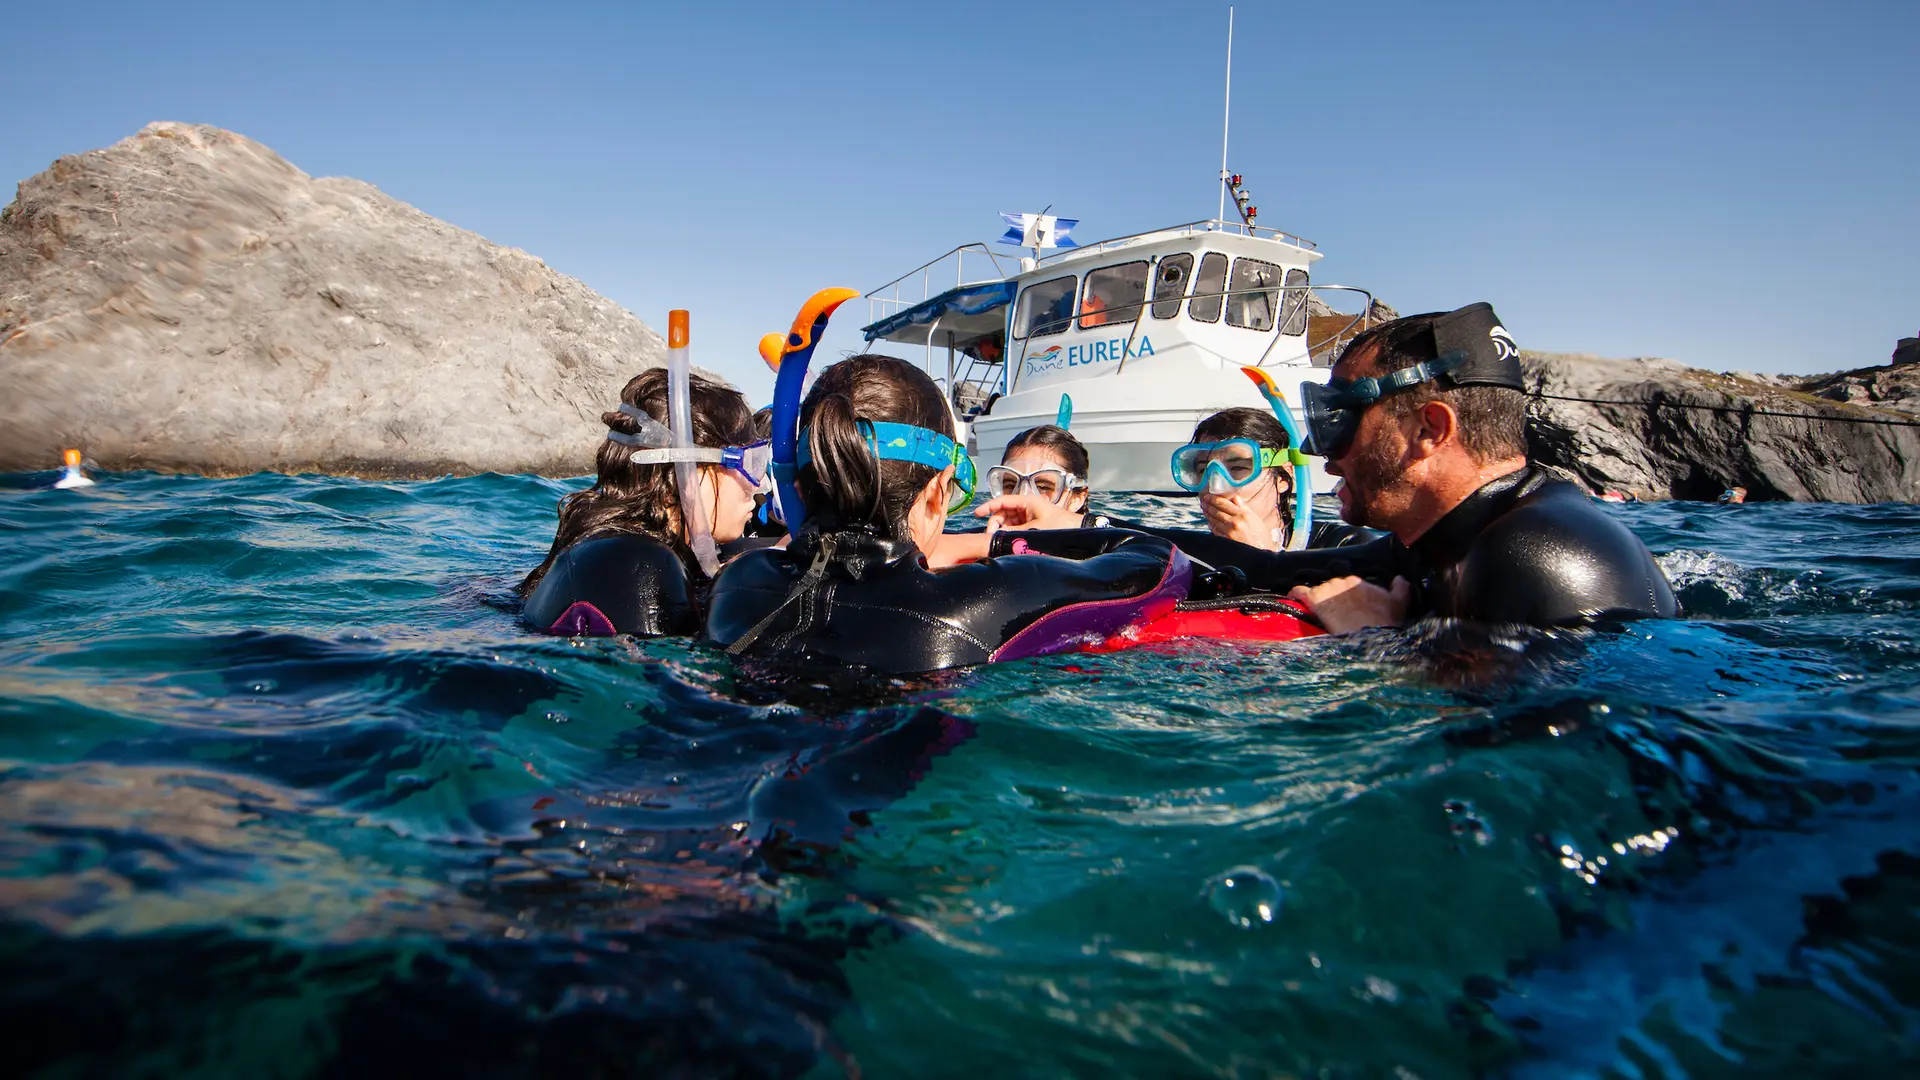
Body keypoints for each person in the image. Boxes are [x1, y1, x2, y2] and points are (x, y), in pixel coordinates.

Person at [705, 355, 1189, 673]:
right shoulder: (975, 600)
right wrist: (1036, 536)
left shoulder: (742, 580)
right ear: (940, 489)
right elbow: (1162, 562)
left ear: (800, 486)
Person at [1282, 302, 1678, 632]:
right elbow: (1270, 568)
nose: (1324, 457)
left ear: (1429, 429)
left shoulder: (1529, 555)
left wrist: (1371, 640)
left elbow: (1519, 721)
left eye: (1340, 423)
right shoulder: (1451, 537)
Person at [520, 369, 765, 637]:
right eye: (751, 462)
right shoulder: (638, 562)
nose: (756, 484)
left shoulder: (619, 548)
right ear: (683, 473)